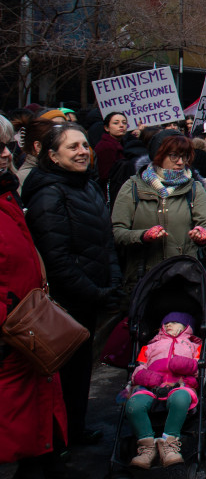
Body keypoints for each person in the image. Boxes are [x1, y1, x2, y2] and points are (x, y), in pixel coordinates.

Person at [22, 123, 122, 447]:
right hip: (67, 300)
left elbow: (105, 242)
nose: (82, 152)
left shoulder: (87, 185)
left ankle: (75, 429)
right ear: (51, 156)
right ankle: (58, 442)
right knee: (63, 374)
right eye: (72, 148)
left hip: (90, 296)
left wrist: (113, 280)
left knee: (80, 371)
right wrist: (95, 292)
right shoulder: (49, 193)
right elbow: (57, 257)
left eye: (84, 145)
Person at [0, 128, 70, 478]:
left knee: (34, 441)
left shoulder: (7, 198)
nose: (4, 154)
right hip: (12, 342)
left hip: (27, 336)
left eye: (6, 146)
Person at [111, 135, 206, 288]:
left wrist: (204, 235)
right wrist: (142, 236)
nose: (181, 162)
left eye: (185, 156)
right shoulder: (133, 186)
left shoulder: (194, 187)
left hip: (183, 277)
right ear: (158, 155)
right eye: (174, 156)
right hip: (143, 278)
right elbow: (117, 232)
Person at [125, 312, 203, 469]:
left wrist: (187, 371)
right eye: (166, 323)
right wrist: (145, 376)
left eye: (174, 322)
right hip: (151, 386)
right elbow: (139, 368)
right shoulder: (150, 346)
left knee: (181, 399)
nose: (168, 325)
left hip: (179, 385)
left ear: (186, 327)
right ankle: (147, 447)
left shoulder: (194, 346)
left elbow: (198, 370)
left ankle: (170, 443)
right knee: (134, 404)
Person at [94, 111, 129, 186]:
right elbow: (105, 176)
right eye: (116, 123)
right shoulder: (105, 147)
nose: (121, 125)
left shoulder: (123, 143)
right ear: (107, 128)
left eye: (124, 123)